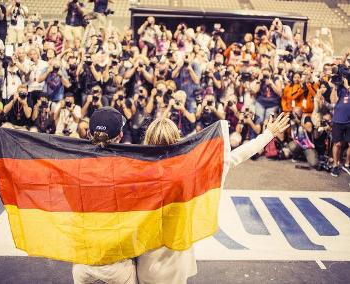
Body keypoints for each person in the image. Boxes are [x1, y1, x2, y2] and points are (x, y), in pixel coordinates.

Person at [136, 113, 290, 284]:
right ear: (177, 140)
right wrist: (268, 134)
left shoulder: (134, 173)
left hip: (145, 263)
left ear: (148, 139)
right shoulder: (190, 172)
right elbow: (235, 157)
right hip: (176, 262)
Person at [72, 106, 138, 284]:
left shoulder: (73, 167)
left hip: (83, 262)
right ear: (121, 136)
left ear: (88, 134)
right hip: (117, 264)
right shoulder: (130, 171)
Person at [329, 64, 350, 177]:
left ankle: (347, 163)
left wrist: (347, 87)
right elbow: (333, 100)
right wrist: (336, 86)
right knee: (337, 144)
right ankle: (335, 165)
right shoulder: (340, 88)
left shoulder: (346, 87)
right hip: (338, 120)